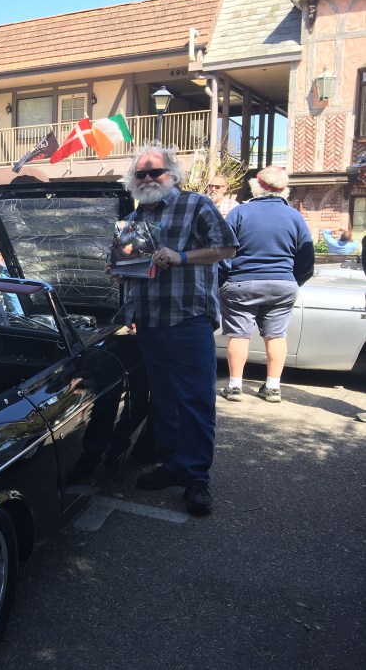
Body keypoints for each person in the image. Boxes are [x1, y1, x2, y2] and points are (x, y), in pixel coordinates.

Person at [110, 143, 237, 514]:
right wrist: (118, 270)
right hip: (149, 322)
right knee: (163, 401)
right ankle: (173, 465)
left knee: (194, 400)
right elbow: (127, 269)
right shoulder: (131, 220)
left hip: (188, 319)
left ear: (172, 174)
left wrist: (181, 257)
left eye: (155, 172)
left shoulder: (196, 204)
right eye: (141, 174)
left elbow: (227, 248)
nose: (148, 179)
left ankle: (196, 477)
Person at [220, 166, 314, 404]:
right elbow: (306, 259)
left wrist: (223, 280)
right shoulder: (294, 216)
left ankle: (234, 386)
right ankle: (272, 387)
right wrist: (293, 281)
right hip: (282, 284)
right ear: (284, 189)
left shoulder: (239, 213)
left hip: (241, 283)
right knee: (276, 336)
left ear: (255, 187)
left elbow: (223, 251)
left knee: (239, 335)